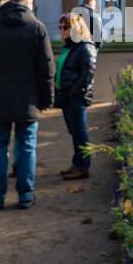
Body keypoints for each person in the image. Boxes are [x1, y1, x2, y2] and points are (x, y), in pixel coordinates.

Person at [0, 0, 53, 209]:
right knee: (27, 145)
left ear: (11, 1)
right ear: (29, 3)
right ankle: (25, 195)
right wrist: (47, 99)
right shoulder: (37, 28)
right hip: (27, 99)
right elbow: (46, 70)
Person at [54, 12, 97, 180]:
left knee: (80, 133)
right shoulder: (70, 46)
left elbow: (88, 73)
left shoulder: (85, 46)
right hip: (67, 97)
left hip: (76, 98)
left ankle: (83, 166)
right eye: (60, 27)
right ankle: (77, 163)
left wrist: (74, 92)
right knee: (74, 132)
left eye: (65, 27)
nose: (62, 31)